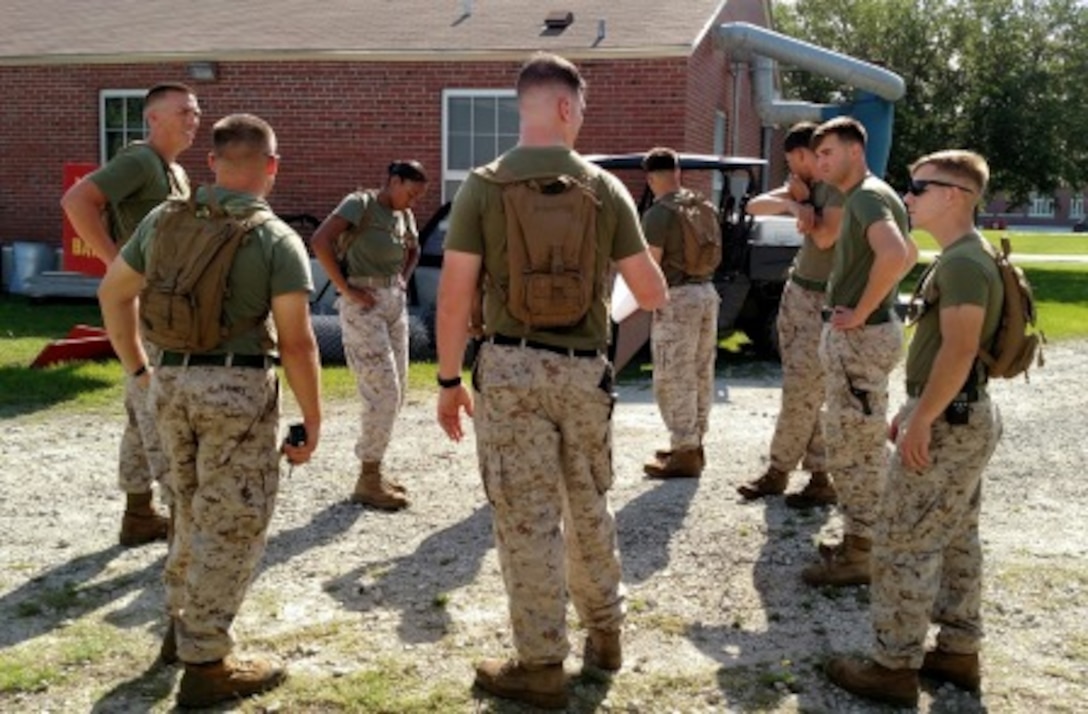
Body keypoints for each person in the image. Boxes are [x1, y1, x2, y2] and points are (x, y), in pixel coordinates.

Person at [434, 52, 668, 710]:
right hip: (585, 371)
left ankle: (539, 664)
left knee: (526, 519)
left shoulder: (483, 186)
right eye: (584, 107)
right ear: (566, 107)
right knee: (588, 505)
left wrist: (450, 380)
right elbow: (650, 292)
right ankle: (605, 638)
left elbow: (454, 300)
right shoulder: (606, 189)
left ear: (526, 106)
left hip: (508, 368)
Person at [97, 113, 322, 708]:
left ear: (212, 163)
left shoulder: (162, 220)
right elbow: (298, 342)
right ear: (271, 166)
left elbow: (113, 294)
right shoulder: (274, 239)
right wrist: (314, 420)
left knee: (188, 508)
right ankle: (207, 662)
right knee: (235, 522)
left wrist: (140, 369)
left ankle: (180, 627)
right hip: (237, 391)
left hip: (168, 383)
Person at [827, 150, 1003, 706]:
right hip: (960, 411)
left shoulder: (963, 264)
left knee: (902, 540)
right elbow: (950, 355)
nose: (908, 196)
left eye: (920, 187)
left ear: (955, 195)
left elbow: (962, 346)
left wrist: (923, 418)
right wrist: (914, 406)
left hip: (950, 422)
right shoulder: (961, 257)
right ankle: (956, 651)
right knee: (954, 539)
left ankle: (893, 666)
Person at [60, 82, 201, 546]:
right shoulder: (140, 160)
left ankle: (139, 513)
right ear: (154, 118)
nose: (193, 119)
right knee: (158, 404)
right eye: (183, 111)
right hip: (148, 307)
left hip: (166, 303)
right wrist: (115, 265)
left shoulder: (174, 171)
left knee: (139, 407)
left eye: (196, 112)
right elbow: (78, 200)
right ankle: (180, 511)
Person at [800, 117, 917, 587]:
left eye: (828, 153)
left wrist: (862, 310)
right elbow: (907, 253)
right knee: (858, 438)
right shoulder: (876, 194)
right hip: (866, 334)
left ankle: (862, 552)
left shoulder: (867, 195)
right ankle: (863, 541)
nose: (820, 162)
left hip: (860, 337)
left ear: (854, 151)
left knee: (855, 448)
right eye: (817, 154)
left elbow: (893, 254)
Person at [737, 121, 844, 507]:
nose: (793, 167)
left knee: (802, 390)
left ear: (804, 155)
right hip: (799, 292)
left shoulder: (834, 188)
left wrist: (808, 209)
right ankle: (819, 476)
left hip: (823, 301)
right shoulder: (806, 186)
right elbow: (754, 205)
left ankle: (779, 471)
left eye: (792, 160)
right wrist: (793, 202)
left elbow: (825, 236)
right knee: (807, 389)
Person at [311, 161, 427, 511]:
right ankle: (368, 477)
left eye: (419, 196)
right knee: (382, 392)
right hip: (363, 305)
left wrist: (403, 278)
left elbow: (414, 249)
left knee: (398, 390)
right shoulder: (359, 204)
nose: (414, 201)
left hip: (393, 303)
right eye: (410, 192)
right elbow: (320, 241)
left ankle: (376, 468)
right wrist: (346, 288)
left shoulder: (402, 216)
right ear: (393, 181)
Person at [638, 147, 721, 479]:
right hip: (707, 293)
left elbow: (651, 265)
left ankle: (684, 449)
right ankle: (694, 442)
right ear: (677, 171)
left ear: (650, 177)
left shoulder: (659, 214)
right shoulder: (700, 205)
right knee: (701, 371)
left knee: (673, 375)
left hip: (676, 298)